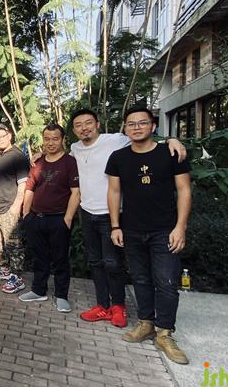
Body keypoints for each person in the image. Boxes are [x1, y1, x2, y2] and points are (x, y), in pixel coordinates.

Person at [70, 108, 187, 328]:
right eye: (78, 125)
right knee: (95, 262)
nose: (84, 128)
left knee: (113, 263)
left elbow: (144, 138)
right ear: (74, 130)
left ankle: (119, 307)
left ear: (97, 124)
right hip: (87, 212)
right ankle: (103, 305)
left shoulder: (116, 140)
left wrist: (172, 140)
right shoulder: (75, 148)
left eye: (88, 123)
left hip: (112, 214)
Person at [106, 106, 192, 365]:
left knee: (166, 282)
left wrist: (180, 227)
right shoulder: (118, 157)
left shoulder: (171, 153)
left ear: (153, 126)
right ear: (125, 128)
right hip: (131, 229)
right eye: (131, 124)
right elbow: (114, 192)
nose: (136, 127)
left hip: (165, 229)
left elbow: (184, 190)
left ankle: (165, 333)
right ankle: (146, 323)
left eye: (142, 123)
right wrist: (115, 226)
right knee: (140, 279)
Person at [17, 124, 80, 313]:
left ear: (62, 140)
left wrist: (67, 219)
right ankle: (38, 290)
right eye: (47, 139)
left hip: (59, 219)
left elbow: (75, 192)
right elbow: (30, 188)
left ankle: (61, 295)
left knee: (60, 259)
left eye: (55, 138)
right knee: (39, 257)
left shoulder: (70, 162)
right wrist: (26, 214)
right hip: (36, 218)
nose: (50, 143)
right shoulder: (38, 162)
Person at [0, 123, 29, 290]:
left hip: (9, 207)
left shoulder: (17, 156)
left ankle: (17, 278)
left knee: (13, 245)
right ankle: (4, 269)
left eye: (1, 137)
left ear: (9, 135)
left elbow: (23, 184)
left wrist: (17, 206)